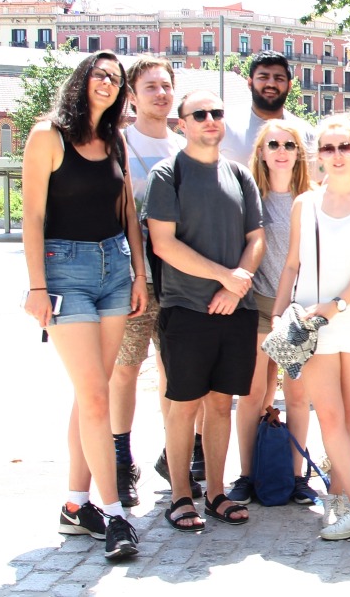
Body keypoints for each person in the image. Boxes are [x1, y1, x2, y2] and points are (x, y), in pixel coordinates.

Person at [22, 50, 145, 560]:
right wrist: (35, 287)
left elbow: (128, 210)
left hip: (115, 267)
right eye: (101, 74)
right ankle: (114, 515)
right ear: (82, 80)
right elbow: (31, 215)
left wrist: (138, 272)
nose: (109, 84)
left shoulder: (113, 139)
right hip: (65, 269)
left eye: (116, 79)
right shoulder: (47, 135)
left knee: (91, 390)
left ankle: (76, 506)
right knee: (96, 396)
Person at [146, 90, 265, 533]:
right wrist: (224, 277)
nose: (211, 120)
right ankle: (180, 496)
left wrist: (237, 286)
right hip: (186, 308)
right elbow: (164, 244)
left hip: (236, 309)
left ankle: (216, 492)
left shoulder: (239, 174)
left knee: (220, 405)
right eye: (200, 115)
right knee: (183, 405)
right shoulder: (168, 174)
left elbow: (256, 239)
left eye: (217, 113)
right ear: (183, 125)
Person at [273, 116, 350, 540]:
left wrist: (335, 306)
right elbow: (291, 265)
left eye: (344, 147)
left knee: (345, 411)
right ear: (317, 155)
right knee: (330, 413)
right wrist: (277, 315)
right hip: (309, 320)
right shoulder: (304, 203)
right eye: (328, 148)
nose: (337, 155)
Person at [227, 120, 318, 507]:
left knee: (297, 395)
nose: (281, 150)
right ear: (261, 152)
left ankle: (296, 477)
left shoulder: (313, 199)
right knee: (252, 394)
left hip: (297, 311)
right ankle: (247, 475)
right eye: (273, 144)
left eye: (289, 144)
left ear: (299, 153)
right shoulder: (248, 198)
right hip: (258, 304)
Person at [112, 57, 189, 508]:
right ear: (133, 95)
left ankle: (173, 455)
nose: (160, 94)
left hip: (176, 275)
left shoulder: (183, 147)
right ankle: (121, 458)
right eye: (150, 87)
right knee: (125, 366)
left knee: (172, 370)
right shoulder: (118, 144)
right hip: (129, 275)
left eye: (166, 86)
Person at [220, 51, 315, 166]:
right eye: (263, 77)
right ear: (250, 83)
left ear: (289, 86)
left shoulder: (305, 133)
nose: (271, 84)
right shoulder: (224, 126)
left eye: (279, 78)